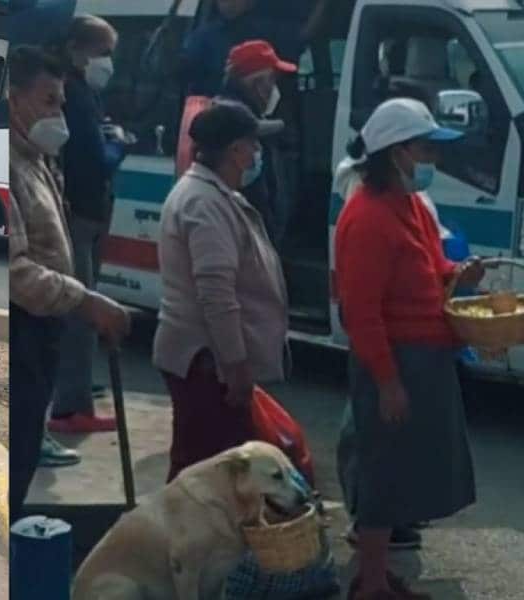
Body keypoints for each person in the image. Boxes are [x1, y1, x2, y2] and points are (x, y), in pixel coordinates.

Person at [334, 98, 484, 599]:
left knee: (404, 474)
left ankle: (377, 576)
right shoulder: (367, 217)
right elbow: (361, 313)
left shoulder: (411, 205)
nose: (431, 161)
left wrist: (458, 276)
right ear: (396, 152)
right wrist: (388, 381)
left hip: (425, 357)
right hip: (395, 361)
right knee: (383, 474)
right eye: (424, 149)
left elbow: (430, 271)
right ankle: (370, 583)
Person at [8, 45, 131, 522]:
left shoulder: (38, 158)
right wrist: (84, 300)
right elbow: (18, 272)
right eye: (47, 101)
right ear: (13, 100)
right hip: (25, 329)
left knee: (25, 449)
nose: (58, 114)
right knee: (17, 455)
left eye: (61, 102)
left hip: (45, 331)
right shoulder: (11, 164)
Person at [154, 101, 288, 482]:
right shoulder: (202, 201)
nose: (258, 153)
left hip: (211, 361)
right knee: (202, 473)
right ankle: (187, 540)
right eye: (254, 145)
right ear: (235, 151)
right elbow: (216, 294)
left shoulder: (215, 194)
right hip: (207, 362)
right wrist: (236, 365)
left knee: (207, 466)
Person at [46, 15, 123, 438]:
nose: (108, 63)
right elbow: (92, 159)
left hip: (89, 212)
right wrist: (117, 145)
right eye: (104, 53)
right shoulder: (72, 93)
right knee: (81, 309)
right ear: (79, 50)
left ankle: (74, 395)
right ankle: (70, 406)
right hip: (81, 212)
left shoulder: (82, 92)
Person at [220, 40, 299, 247]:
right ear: (256, 83)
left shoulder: (247, 112)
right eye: (272, 80)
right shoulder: (231, 118)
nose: (275, 88)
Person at [179, 0, 321, 98]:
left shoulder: (268, 31)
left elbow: (304, 35)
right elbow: (182, 72)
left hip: (258, 117)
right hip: (216, 123)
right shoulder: (203, 36)